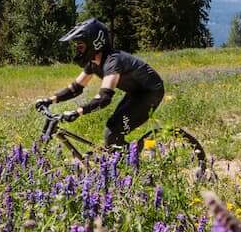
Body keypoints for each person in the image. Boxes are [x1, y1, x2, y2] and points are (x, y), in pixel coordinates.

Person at [33, 17, 165, 149]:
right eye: (77, 47)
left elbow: (104, 98)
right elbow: (75, 88)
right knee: (113, 131)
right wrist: (49, 100)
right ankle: (126, 157)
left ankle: (136, 157)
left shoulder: (112, 62)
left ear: (94, 43)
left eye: (81, 46)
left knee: (112, 134)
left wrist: (77, 112)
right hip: (135, 93)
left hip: (151, 92)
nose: (78, 50)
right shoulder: (93, 63)